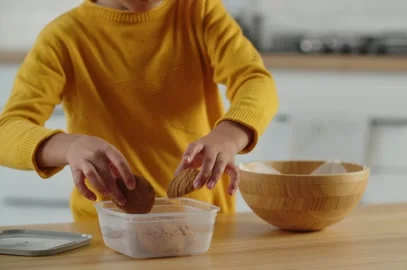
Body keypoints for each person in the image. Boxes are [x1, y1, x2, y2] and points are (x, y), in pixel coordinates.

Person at [0, 0, 278, 221]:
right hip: (107, 230)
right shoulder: (62, 39)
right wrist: (68, 146)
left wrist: (229, 135)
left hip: (203, 224)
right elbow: (7, 129)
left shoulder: (201, 11)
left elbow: (255, 80)